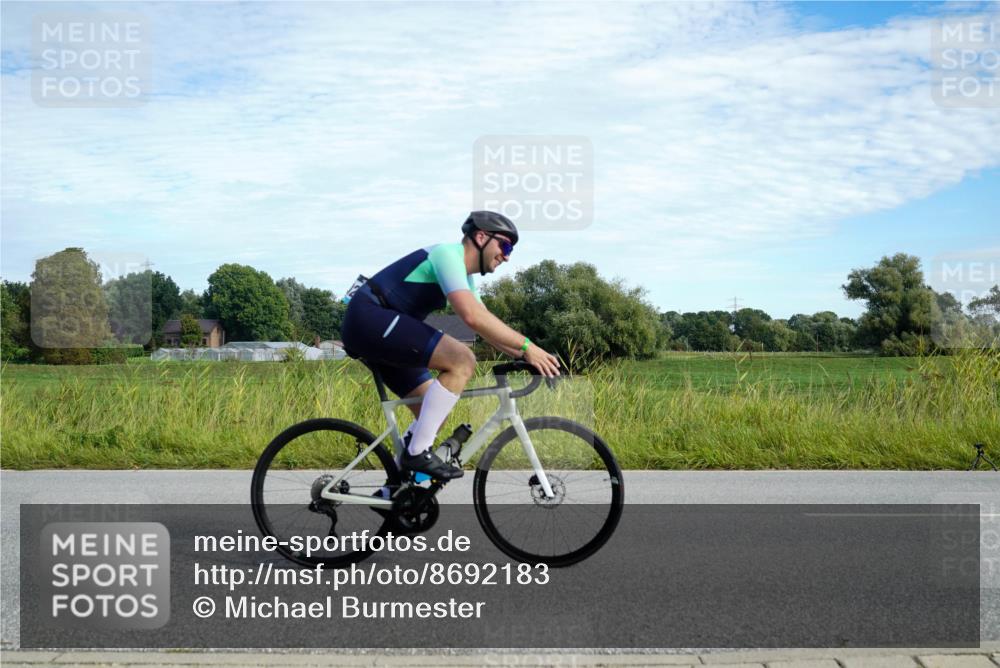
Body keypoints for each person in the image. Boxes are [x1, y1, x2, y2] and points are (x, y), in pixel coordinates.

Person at [340, 211, 561, 480]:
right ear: (481, 237)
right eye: (505, 245)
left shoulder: (465, 279)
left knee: (431, 414)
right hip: (369, 318)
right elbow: (471, 316)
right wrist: (528, 346)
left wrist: (527, 356)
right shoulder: (447, 255)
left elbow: (484, 326)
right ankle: (416, 454)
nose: (507, 255)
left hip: (382, 328)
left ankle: (398, 492)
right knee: (462, 360)